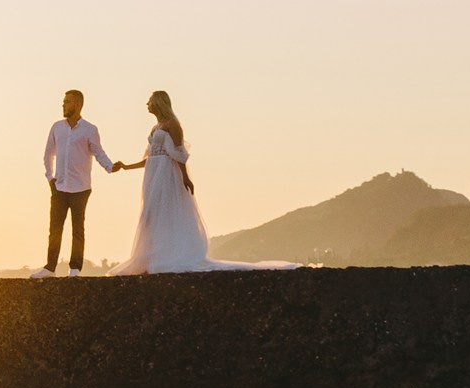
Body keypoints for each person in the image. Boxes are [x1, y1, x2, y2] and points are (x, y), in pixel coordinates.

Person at [115, 88, 295, 274]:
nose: (147, 104)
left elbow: (179, 154)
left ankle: (168, 254)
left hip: (167, 174)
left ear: (159, 103)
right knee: (151, 213)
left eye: (150, 101)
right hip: (153, 174)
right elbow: (150, 157)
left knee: (166, 211)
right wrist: (127, 166)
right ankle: (150, 254)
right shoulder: (155, 128)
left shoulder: (172, 124)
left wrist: (184, 177)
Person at [37, 89, 119, 276]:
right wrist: (50, 178)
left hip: (81, 187)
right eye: (63, 101)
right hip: (59, 186)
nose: (63, 105)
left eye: (67, 102)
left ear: (78, 104)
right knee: (55, 229)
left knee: (77, 229)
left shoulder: (90, 129)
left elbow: (98, 152)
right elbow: (48, 153)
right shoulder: (57, 127)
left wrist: (110, 167)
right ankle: (50, 268)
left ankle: (75, 268)